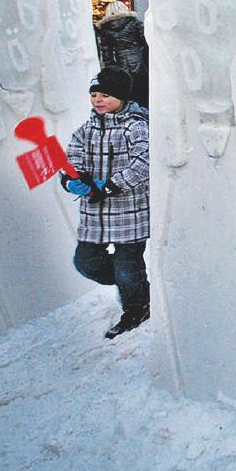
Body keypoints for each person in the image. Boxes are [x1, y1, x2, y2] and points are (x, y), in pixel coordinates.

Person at [60, 67, 151, 340]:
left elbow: (144, 162)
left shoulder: (136, 126)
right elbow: (71, 159)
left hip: (129, 212)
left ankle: (137, 307)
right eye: (94, 94)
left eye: (106, 95)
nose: (98, 100)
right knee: (85, 262)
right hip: (95, 214)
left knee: (126, 263)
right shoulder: (85, 131)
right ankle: (133, 283)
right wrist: (72, 179)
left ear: (122, 97)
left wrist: (111, 184)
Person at [95, 0, 149, 109]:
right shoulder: (134, 22)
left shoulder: (105, 29)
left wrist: (111, 73)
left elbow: (107, 55)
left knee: (128, 95)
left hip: (121, 64)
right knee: (144, 93)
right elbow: (146, 42)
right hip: (140, 63)